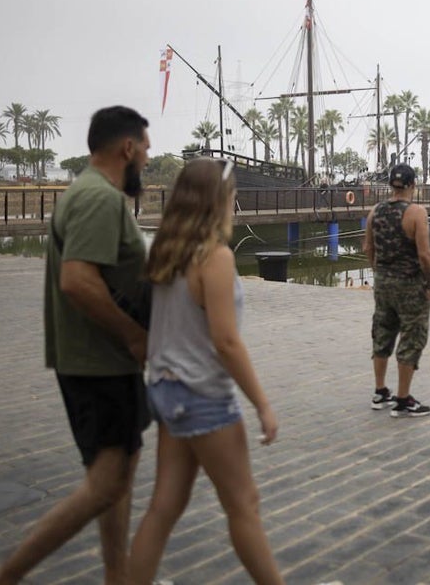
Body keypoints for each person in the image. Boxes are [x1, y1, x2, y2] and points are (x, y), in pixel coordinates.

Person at [0, 106, 151, 585]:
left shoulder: (93, 193)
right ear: (127, 148)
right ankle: (0, 579)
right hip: (99, 364)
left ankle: (120, 576)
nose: (148, 160)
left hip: (104, 361)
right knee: (106, 482)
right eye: (146, 149)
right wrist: (135, 335)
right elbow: (77, 280)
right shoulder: (98, 199)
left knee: (118, 476)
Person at [128, 158, 284, 585]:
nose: (234, 206)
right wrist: (263, 405)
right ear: (218, 201)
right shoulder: (213, 257)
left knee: (163, 507)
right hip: (201, 396)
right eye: (232, 197)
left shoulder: (166, 249)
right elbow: (226, 341)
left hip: (165, 389)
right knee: (243, 504)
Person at [363, 162, 430, 417]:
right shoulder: (416, 213)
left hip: (383, 283)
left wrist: (379, 271)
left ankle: (380, 391)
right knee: (412, 337)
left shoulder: (375, 211)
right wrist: (429, 283)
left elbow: (368, 248)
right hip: (410, 285)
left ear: (391, 185)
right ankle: (403, 399)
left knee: (382, 333)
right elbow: (425, 255)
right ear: (413, 185)